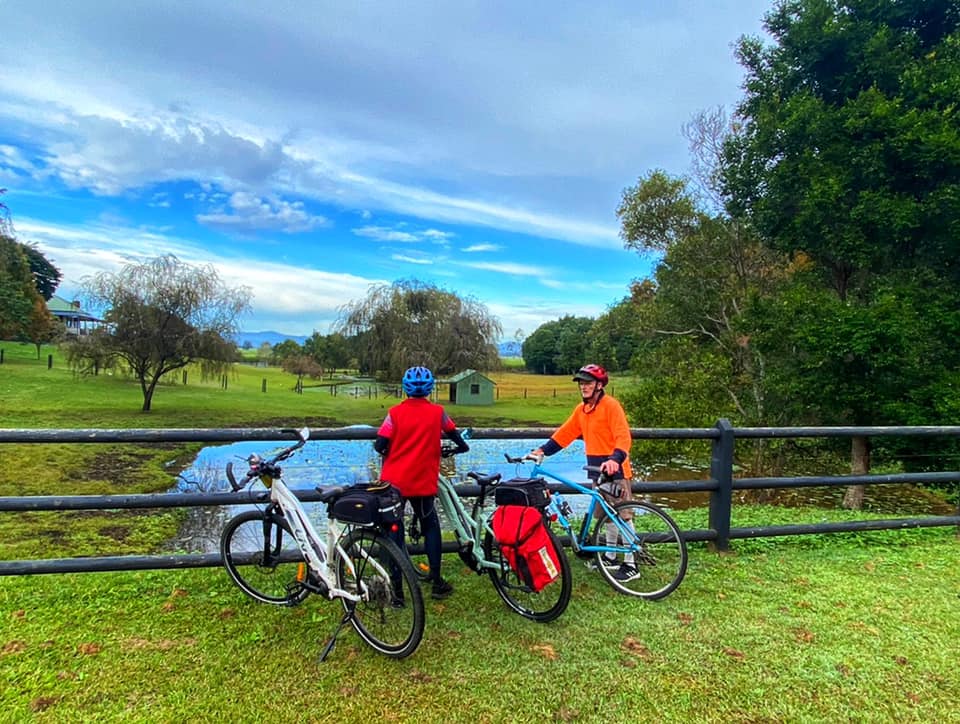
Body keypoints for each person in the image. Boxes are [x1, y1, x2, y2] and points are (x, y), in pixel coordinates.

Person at [530, 363, 639, 582]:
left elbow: (623, 436)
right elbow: (565, 434)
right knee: (606, 517)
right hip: (596, 472)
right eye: (581, 383)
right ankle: (609, 557)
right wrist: (543, 450)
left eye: (588, 383)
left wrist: (615, 459)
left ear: (599, 385)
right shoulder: (582, 411)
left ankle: (631, 564)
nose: (583, 387)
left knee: (623, 515)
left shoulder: (611, 406)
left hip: (614, 470)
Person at [374, 365, 469, 599]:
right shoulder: (438, 413)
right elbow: (457, 437)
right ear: (430, 388)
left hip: (394, 483)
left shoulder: (395, 413)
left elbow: (380, 444)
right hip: (423, 482)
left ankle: (397, 593)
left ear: (405, 388)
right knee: (430, 527)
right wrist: (458, 448)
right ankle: (436, 582)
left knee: (393, 531)